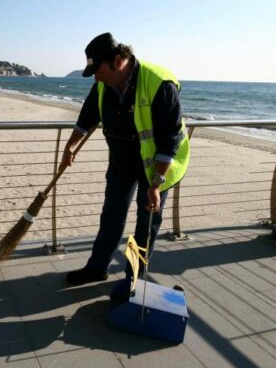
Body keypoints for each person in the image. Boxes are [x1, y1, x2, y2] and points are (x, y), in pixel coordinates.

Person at [59, 32, 190, 303]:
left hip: (156, 166)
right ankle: (97, 269)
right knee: (111, 216)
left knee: (145, 225)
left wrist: (156, 184)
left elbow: (170, 139)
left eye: (99, 70)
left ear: (118, 61)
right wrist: (70, 146)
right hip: (122, 162)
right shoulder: (104, 85)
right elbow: (87, 117)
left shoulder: (159, 84)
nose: (96, 77)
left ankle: (132, 279)